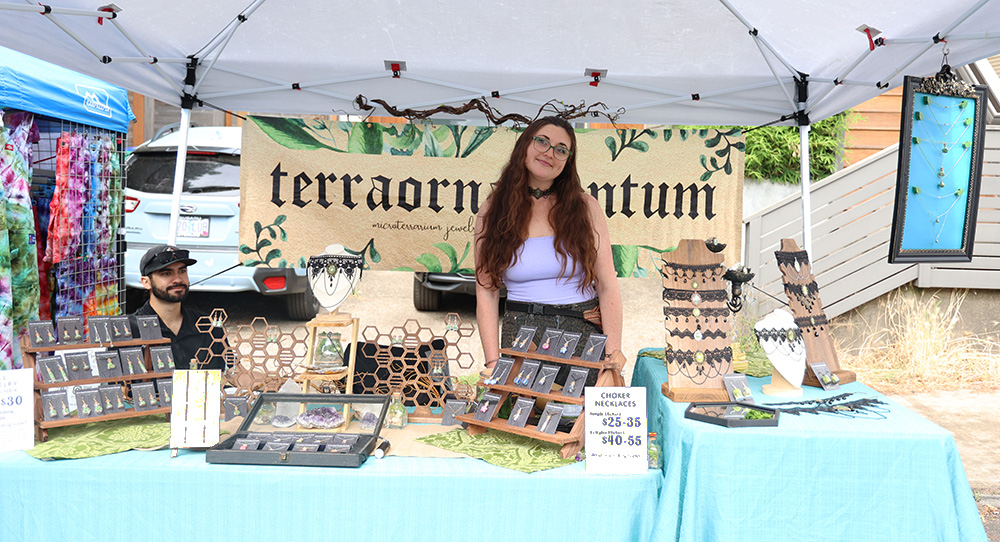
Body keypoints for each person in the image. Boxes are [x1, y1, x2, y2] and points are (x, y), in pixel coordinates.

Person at [475, 116, 623, 379]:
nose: (549, 153)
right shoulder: (492, 210)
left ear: (567, 162)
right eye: (542, 142)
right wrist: (492, 361)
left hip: (582, 337)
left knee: (577, 418)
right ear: (525, 145)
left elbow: (607, 283)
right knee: (520, 418)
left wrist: (612, 354)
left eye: (560, 149)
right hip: (521, 337)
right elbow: (486, 291)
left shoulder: (586, 207)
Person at [130, 245, 227, 370]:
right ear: (146, 282)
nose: (178, 279)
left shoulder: (207, 325)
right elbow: (118, 386)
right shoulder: (129, 330)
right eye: (166, 273)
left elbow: (233, 372)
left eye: (182, 271)